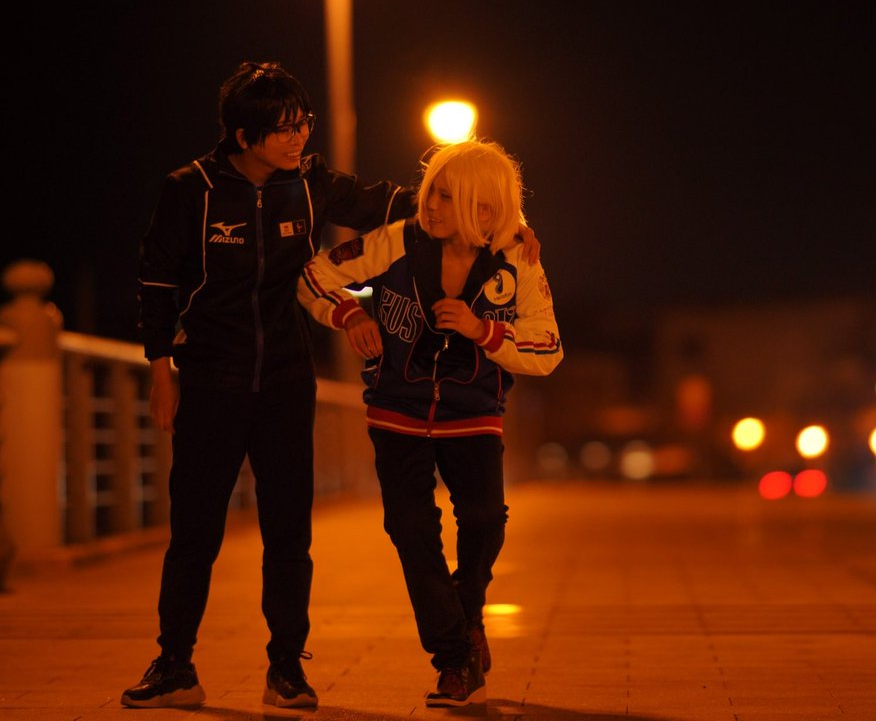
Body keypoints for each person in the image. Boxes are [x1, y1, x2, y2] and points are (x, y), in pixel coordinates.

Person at [122, 62, 539, 710]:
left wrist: (502, 223)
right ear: (244, 135)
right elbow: (156, 282)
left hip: (288, 379)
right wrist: (160, 370)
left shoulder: (312, 183)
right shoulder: (189, 190)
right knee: (194, 531)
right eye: (284, 129)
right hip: (208, 377)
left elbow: (407, 204)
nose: (299, 138)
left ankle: (287, 669)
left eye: (304, 124)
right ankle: (174, 664)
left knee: (289, 532)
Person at [296, 139, 563, 707]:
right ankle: (454, 660)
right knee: (411, 530)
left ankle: (467, 616)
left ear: (483, 210)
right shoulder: (397, 240)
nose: (429, 205)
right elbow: (314, 276)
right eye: (430, 192)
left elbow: (547, 346)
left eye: (445, 196)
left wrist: (483, 330)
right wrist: (349, 314)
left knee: (485, 521)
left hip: (474, 413)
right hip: (396, 409)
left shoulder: (517, 259)